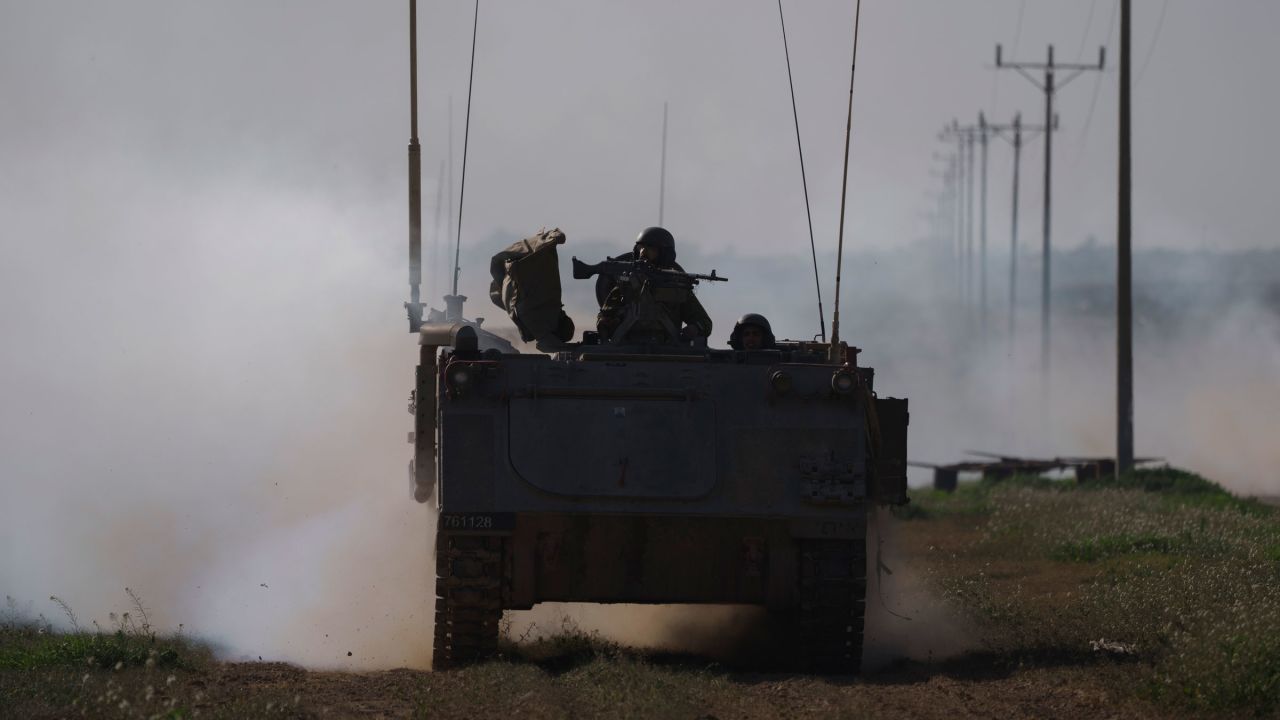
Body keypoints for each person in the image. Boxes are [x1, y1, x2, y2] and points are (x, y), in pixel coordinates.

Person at [596, 227, 713, 344]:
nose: (643, 253)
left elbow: (705, 323)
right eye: (641, 248)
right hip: (625, 350)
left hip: (667, 352)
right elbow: (604, 315)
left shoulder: (677, 287)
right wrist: (605, 322)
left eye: (650, 249)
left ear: (664, 254)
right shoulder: (626, 284)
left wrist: (694, 329)